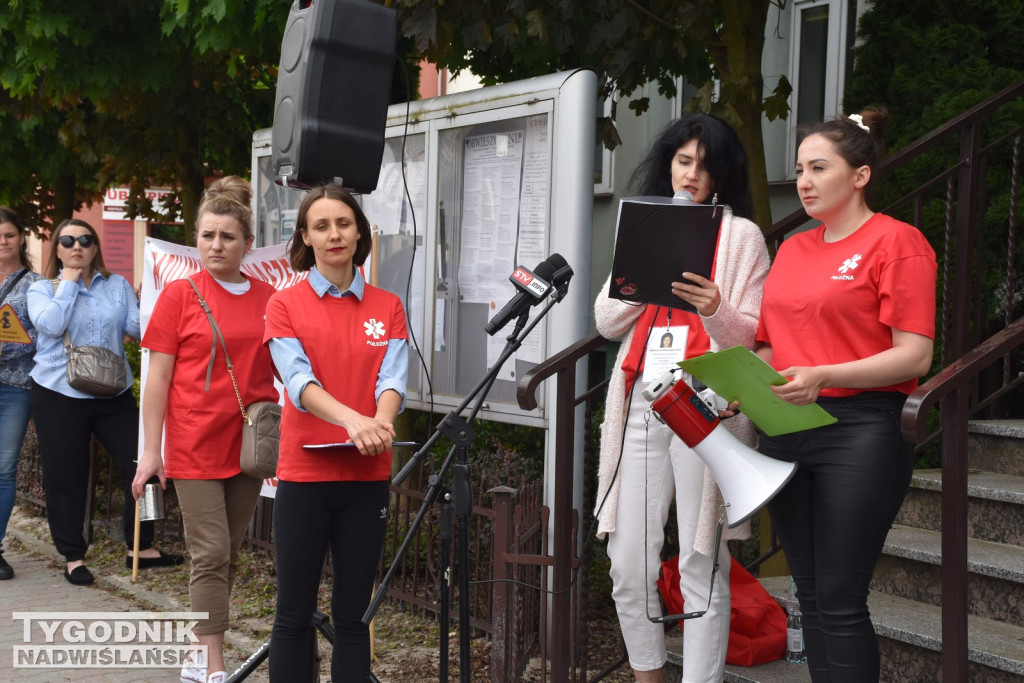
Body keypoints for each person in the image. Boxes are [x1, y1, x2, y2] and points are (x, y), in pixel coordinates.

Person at [756, 108, 937, 681]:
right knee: (809, 600)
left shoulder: (897, 241)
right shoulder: (792, 250)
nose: (803, 181)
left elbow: (915, 355)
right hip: (785, 427)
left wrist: (824, 373)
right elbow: (770, 346)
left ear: (859, 175)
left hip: (862, 429)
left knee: (839, 599)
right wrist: (741, 383)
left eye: (818, 168)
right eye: (799, 169)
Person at [594, 113, 771, 683]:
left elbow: (753, 335)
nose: (692, 174)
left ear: (722, 176)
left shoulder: (740, 236)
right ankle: (648, 675)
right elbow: (605, 322)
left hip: (705, 406)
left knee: (701, 562)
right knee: (627, 563)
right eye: (683, 161)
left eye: (704, 165)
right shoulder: (643, 224)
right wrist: (642, 275)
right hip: (643, 401)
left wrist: (716, 305)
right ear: (669, 163)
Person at [132, 176, 278, 683]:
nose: (216, 245)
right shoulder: (180, 294)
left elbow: (288, 367)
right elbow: (158, 379)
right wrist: (152, 452)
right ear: (196, 237)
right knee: (211, 551)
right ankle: (213, 666)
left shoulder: (268, 297)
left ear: (247, 245)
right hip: (193, 442)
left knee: (229, 554)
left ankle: (199, 647)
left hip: (248, 445)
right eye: (208, 235)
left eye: (228, 236)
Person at [264, 182, 408, 681]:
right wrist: (354, 420)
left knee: (353, 617)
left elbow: (393, 380)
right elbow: (297, 379)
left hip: (366, 479)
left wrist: (380, 424)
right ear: (305, 236)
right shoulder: (284, 304)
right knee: (292, 615)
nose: (334, 234)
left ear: (359, 231)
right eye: (321, 226)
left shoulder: (388, 306)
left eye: (343, 223)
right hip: (304, 475)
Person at [27, 218, 182, 587]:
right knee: (67, 477)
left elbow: (138, 330)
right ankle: (73, 556)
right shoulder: (42, 288)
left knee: (144, 464)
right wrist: (68, 281)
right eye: (67, 241)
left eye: (85, 239)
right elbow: (49, 325)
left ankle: (140, 547)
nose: (77, 245)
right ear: (57, 249)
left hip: (112, 392)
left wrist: (153, 307)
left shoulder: (117, 285)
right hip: (58, 392)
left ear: (96, 247)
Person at [0, 207, 44, 580]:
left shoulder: (37, 285)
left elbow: (46, 336)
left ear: (21, 239)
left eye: (9, 234)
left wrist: (16, 343)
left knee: (3, 469)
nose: (3, 241)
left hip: (15, 386)